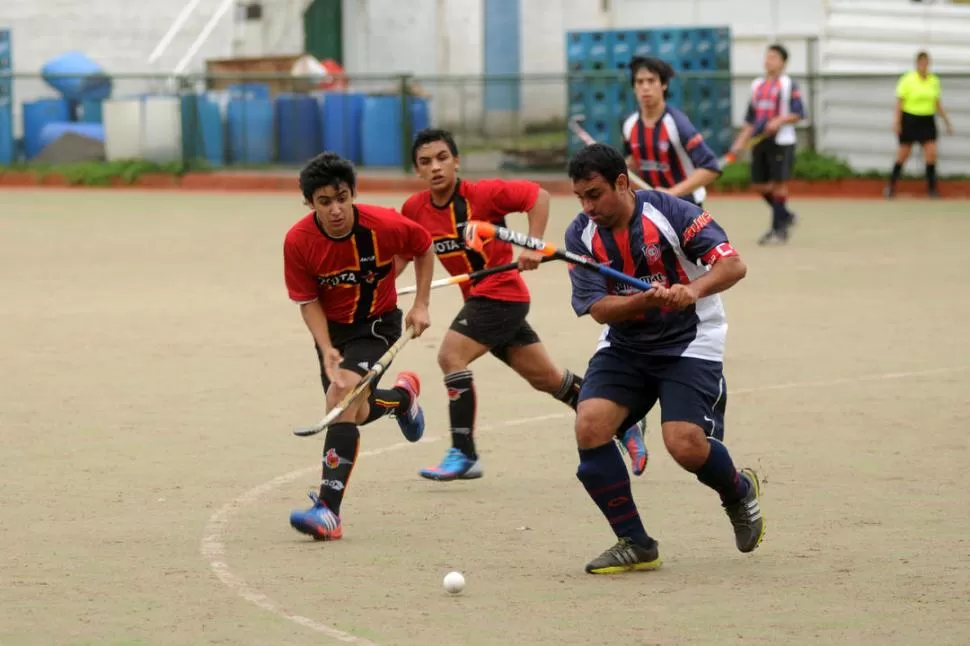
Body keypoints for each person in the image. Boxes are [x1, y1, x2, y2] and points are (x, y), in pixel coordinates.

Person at [398, 128, 648, 482]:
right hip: (483, 301)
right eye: (425, 162)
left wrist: (532, 244)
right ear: (417, 171)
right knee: (549, 379)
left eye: (442, 158)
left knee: (450, 356)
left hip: (500, 294)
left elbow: (537, 196)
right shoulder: (415, 209)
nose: (435, 167)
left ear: (456, 161)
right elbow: (409, 252)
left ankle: (463, 453)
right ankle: (625, 419)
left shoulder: (483, 194)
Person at [564, 143, 764, 574]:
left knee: (684, 444)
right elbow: (597, 308)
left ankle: (739, 491)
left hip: (691, 339)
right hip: (625, 344)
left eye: (594, 194)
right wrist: (642, 301)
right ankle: (635, 543)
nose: (587, 206)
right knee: (590, 423)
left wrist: (691, 290)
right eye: (580, 196)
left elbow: (734, 266)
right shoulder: (580, 234)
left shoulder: (672, 214)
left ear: (622, 183)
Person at [284, 152, 436, 541]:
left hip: (377, 324)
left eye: (342, 197)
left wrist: (421, 304)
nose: (336, 209)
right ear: (309, 203)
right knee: (354, 409)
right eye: (324, 202)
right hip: (333, 332)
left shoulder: (382, 224)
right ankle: (402, 399)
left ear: (352, 194)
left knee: (341, 397)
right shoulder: (298, 241)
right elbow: (307, 301)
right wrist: (325, 347)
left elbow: (423, 246)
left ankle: (328, 513)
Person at [729, 43, 806, 245]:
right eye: (767, 56)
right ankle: (785, 215)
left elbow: (799, 113)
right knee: (759, 184)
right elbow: (750, 119)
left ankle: (777, 230)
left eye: (773, 57)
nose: (768, 60)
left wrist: (779, 121)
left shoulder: (789, 85)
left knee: (778, 185)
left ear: (782, 62)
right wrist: (739, 143)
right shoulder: (757, 85)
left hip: (782, 141)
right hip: (759, 141)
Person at [621, 56, 722, 206]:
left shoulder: (678, 124)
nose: (645, 87)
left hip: (685, 206)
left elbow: (711, 167)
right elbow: (633, 162)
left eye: (651, 80)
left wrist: (672, 193)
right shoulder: (629, 124)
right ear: (634, 87)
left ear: (664, 84)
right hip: (651, 206)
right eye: (640, 82)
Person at [885, 50, 954, 199]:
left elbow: (937, 103)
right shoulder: (907, 79)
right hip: (910, 119)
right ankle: (891, 186)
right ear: (917, 63)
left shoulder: (934, 80)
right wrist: (897, 122)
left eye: (927, 63)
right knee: (903, 154)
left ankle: (932, 189)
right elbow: (899, 102)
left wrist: (946, 121)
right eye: (922, 63)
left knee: (931, 154)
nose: (924, 65)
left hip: (927, 120)